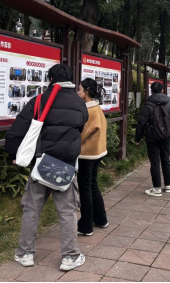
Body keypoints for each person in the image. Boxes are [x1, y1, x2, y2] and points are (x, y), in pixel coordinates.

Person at [5, 64, 88, 272]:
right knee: (67, 212)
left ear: (51, 79)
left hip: (41, 164)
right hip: (66, 166)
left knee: (32, 209)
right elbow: (79, 127)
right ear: (71, 80)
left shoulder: (40, 100)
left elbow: (18, 129)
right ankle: (70, 256)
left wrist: (14, 153)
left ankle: (25, 254)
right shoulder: (80, 104)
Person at [76, 78, 109, 237]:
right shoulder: (97, 108)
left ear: (87, 91)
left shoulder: (89, 111)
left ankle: (86, 226)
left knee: (85, 189)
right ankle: (101, 219)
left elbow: (81, 134)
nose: (78, 92)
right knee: (92, 185)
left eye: (80, 89)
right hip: (97, 152)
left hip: (87, 154)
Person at [135, 82, 170, 197]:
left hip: (152, 137)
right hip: (166, 136)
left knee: (155, 162)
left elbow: (141, 122)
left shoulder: (148, 105)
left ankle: (156, 188)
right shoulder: (169, 104)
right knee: (166, 160)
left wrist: (137, 138)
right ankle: (168, 185)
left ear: (151, 91)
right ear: (162, 90)